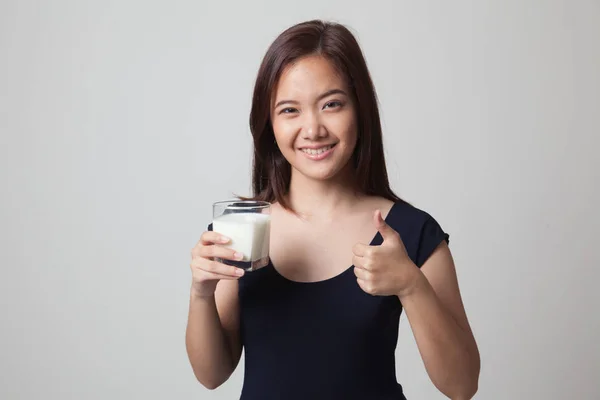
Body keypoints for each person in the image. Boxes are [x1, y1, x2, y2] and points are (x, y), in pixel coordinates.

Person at [186, 20, 480, 400]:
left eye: (332, 104)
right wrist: (200, 294)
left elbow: (461, 386)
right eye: (290, 110)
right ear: (269, 124)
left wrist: (411, 285)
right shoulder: (243, 226)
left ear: (359, 109)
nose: (313, 129)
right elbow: (211, 375)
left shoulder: (411, 232)